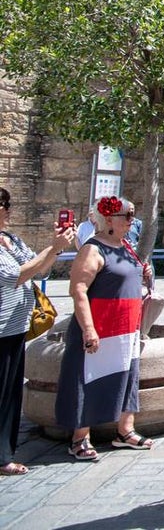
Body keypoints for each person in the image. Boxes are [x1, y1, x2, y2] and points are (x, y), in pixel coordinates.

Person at [56, 195, 154, 461]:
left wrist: (142, 273)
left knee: (128, 377)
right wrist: (88, 329)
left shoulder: (125, 246)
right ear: (109, 219)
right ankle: (80, 438)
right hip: (101, 326)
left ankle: (125, 430)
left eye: (133, 215)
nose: (132, 221)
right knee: (87, 379)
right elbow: (78, 289)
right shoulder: (92, 249)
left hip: (125, 328)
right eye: (127, 216)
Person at [0, 187, 75, 475]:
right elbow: (16, 276)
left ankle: (5, 452)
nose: (8, 210)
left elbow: (39, 269)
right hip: (1, 328)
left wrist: (57, 247)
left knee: (10, 394)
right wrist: (53, 247)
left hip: (16, 327)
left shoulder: (11, 240)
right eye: (4, 205)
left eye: (8, 203)